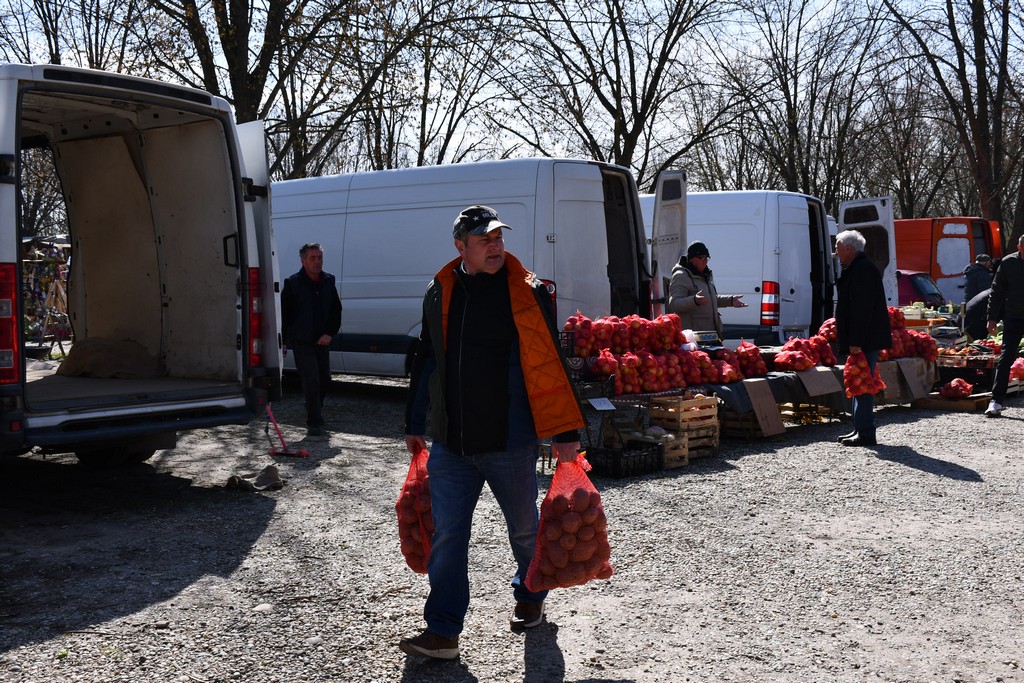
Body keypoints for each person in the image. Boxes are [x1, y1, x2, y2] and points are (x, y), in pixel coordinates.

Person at [400, 205, 585, 660]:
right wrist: (413, 419)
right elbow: (426, 356)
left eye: (499, 238)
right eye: (485, 240)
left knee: (524, 531)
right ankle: (443, 631)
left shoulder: (527, 291)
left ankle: (530, 597)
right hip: (452, 441)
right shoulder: (439, 292)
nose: (496, 246)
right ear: (461, 247)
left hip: (510, 438)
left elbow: (548, 363)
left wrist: (565, 430)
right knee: (447, 536)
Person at [834, 230, 892, 447]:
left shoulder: (862, 270)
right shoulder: (859, 268)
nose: (837, 253)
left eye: (839, 248)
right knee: (858, 383)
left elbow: (861, 310)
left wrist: (856, 340)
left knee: (863, 384)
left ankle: (866, 432)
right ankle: (859, 428)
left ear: (849, 248)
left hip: (864, 339)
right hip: (864, 338)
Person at [281, 243, 342, 437]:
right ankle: (314, 422)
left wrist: (330, 333)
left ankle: (313, 405)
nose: (317, 262)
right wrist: (284, 339)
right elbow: (284, 314)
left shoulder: (328, 281)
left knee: (325, 379)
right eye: (313, 258)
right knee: (311, 380)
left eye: (320, 258)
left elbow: (336, 310)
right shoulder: (293, 283)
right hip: (302, 340)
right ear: (303, 261)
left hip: (322, 340)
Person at [666, 241, 747, 338]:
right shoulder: (681, 276)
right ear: (692, 258)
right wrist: (694, 300)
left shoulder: (706, 274)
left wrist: (730, 300)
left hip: (711, 335)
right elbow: (674, 304)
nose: (705, 261)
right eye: (702, 258)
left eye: (707, 258)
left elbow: (709, 299)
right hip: (694, 338)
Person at [984, 235, 1024, 417]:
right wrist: (991, 318)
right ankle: (996, 401)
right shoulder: (1008, 263)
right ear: (1019, 247)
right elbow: (996, 291)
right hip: (1014, 317)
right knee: (1006, 357)